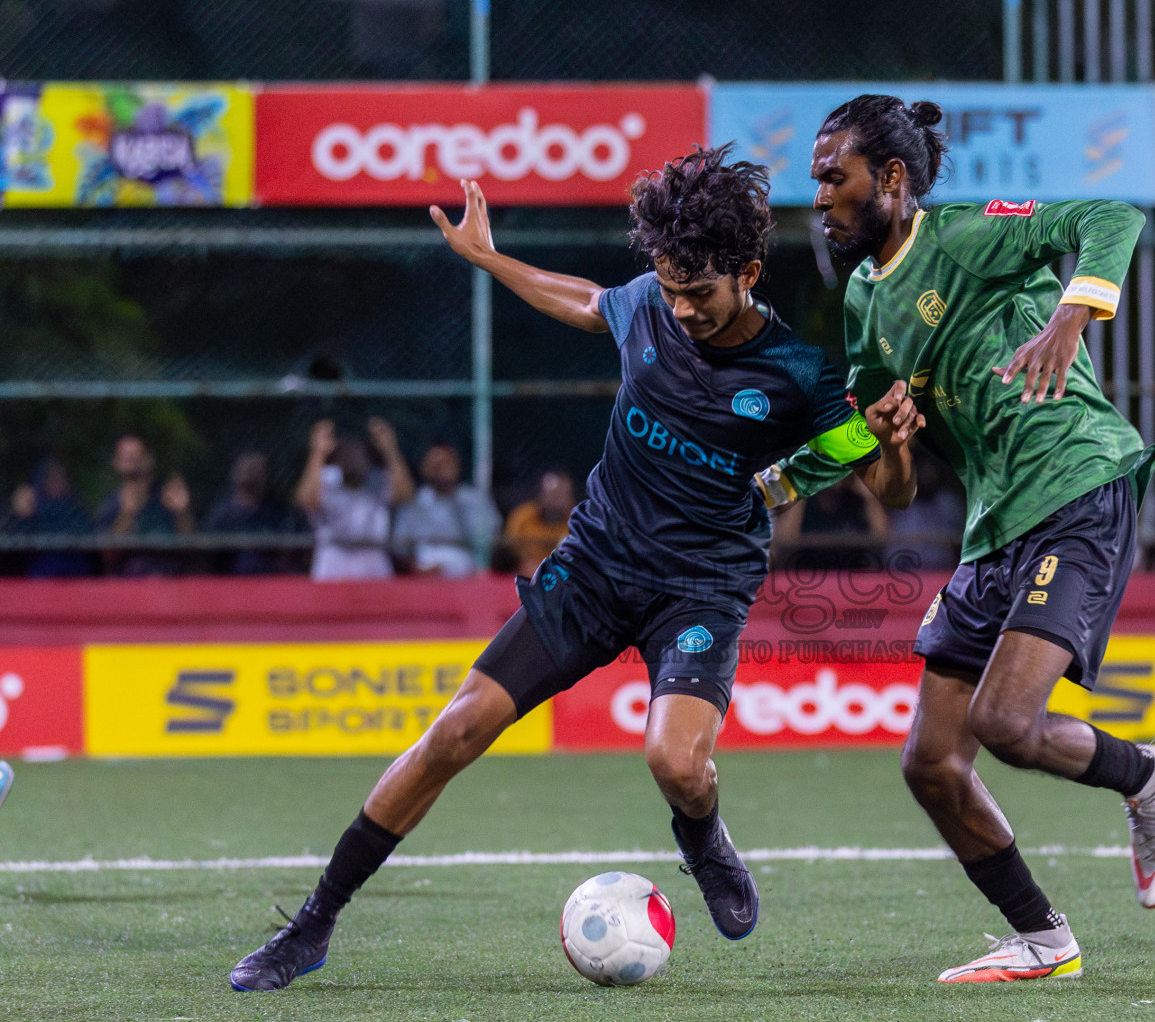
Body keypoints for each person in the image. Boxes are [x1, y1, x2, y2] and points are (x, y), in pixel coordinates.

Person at [229, 147, 920, 992]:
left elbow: (878, 475)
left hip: (699, 587)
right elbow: (593, 301)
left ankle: (702, 838)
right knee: (453, 731)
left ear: (746, 273)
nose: (680, 308)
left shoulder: (800, 377)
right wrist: (487, 258)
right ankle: (311, 926)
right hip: (593, 567)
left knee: (675, 763)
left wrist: (890, 441)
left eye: (699, 293)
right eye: (668, 288)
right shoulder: (649, 306)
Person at [755, 95, 1155, 983]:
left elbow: (1110, 216)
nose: (821, 198)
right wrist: (875, 445)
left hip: (1075, 482)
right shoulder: (865, 304)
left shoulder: (962, 233)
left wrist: (1073, 313)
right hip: (997, 523)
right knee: (932, 764)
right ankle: (1042, 937)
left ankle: (1148, 777)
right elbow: (895, 478)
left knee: (1005, 722)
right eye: (815, 182)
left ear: (893, 178)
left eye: (834, 178)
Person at [296, 417, 414, 581]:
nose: (352, 458)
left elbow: (405, 495)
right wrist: (318, 452)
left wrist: (390, 450)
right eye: (346, 452)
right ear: (337, 455)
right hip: (333, 563)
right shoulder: (326, 478)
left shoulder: (377, 479)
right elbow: (306, 501)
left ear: (367, 456)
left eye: (357, 452)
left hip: (372, 562)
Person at [392, 442, 501, 578]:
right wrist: (417, 571)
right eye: (435, 464)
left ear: (458, 465)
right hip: (424, 578)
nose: (441, 468)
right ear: (423, 468)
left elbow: (492, 544)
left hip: (470, 576)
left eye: (446, 462)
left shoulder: (475, 500)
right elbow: (400, 550)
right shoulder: (414, 503)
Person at [93, 434, 194, 576]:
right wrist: (127, 515)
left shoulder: (167, 500)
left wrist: (183, 513)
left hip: (168, 582)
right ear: (116, 463)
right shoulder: (111, 506)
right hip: (128, 585)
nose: (133, 461)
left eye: (137, 455)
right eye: (127, 457)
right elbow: (107, 555)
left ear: (149, 459)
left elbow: (189, 546)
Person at [202, 451, 303, 575]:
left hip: (271, 582)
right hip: (230, 582)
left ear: (266, 474)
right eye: (245, 467)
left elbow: (291, 551)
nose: (250, 473)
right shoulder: (222, 512)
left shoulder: (278, 511)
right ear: (235, 472)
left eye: (255, 467)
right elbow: (208, 552)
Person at [4, 458, 94, 578]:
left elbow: (89, 535)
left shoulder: (74, 509)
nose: (57, 482)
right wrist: (21, 516)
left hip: (77, 574)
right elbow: (13, 540)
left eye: (60, 477)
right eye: (51, 477)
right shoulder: (31, 508)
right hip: (38, 574)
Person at [501, 468, 576, 577]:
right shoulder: (522, 517)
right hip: (523, 577)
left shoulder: (579, 521)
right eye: (552, 494)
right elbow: (510, 552)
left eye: (560, 494)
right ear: (541, 494)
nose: (555, 500)